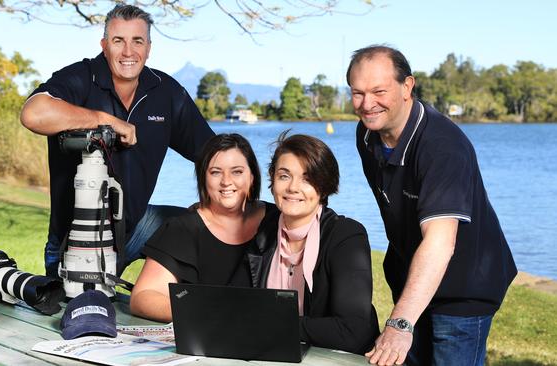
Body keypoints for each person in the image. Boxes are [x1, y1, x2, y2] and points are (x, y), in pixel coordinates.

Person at [347, 45, 517, 366]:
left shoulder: (442, 146)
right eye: (358, 93)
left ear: (407, 86)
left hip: (463, 288)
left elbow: (439, 242)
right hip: (414, 277)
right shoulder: (367, 134)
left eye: (379, 91)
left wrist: (399, 324)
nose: (367, 104)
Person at [19, 4, 214, 277]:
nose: (128, 52)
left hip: (136, 228)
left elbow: (215, 153)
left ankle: (193, 309)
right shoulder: (81, 78)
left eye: (137, 41)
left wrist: (214, 205)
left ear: (148, 47)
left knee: (208, 229)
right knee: (84, 318)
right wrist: (105, 119)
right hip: (76, 241)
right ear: (104, 44)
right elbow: (33, 113)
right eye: (118, 40)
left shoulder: (166, 92)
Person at [246, 133, 379, 353]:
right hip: (275, 354)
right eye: (284, 176)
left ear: (324, 187)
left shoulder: (346, 236)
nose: (293, 188)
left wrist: (274, 325)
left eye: (307, 179)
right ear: (272, 181)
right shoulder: (262, 232)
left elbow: (353, 330)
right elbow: (237, 306)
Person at [130, 133, 279, 322]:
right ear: (203, 178)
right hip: (208, 337)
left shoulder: (278, 220)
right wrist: (206, 315)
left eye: (237, 171)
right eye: (216, 172)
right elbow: (143, 297)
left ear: (252, 177)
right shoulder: (183, 229)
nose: (226, 181)